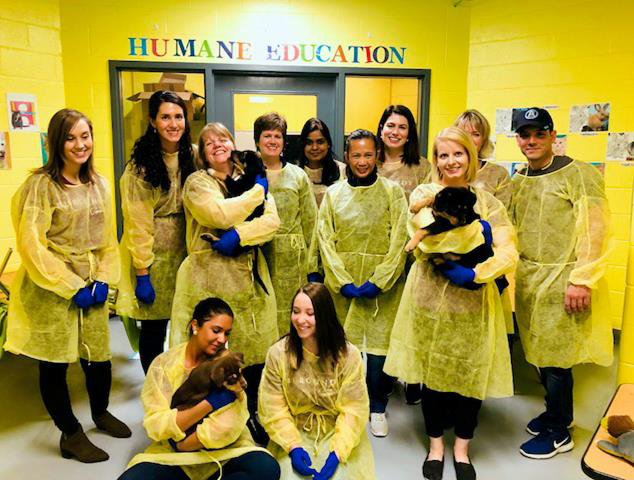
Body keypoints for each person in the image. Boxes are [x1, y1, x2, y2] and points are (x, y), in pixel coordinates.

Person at [384, 127, 517, 480]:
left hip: (474, 301)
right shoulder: (425, 193)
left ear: (470, 157)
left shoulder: (489, 200)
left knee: (470, 377)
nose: (451, 161)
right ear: (436, 160)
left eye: (458, 153)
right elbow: (432, 242)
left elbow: (509, 251)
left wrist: (478, 274)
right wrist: (479, 233)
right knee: (434, 376)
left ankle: (461, 447)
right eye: (443, 155)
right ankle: (436, 446)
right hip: (429, 296)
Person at [5, 109, 130, 463]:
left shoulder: (99, 184)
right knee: (54, 363)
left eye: (85, 136)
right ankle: (70, 434)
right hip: (51, 287)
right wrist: (69, 284)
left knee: (98, 356)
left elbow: (107, 241)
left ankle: (101, 413)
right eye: (71, 138)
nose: (80, 145)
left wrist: (104, 278)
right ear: (56, 142)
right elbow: (31, 244)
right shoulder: (40, 187)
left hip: (92, 282)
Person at [509, 108, 613, 459]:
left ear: (553, 136)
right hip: (530, 280)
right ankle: (555, 413)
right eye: (525, 135)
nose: (532, 141)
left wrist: (582, 279)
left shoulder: (578, 173)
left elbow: (595, 229)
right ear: (518, 140)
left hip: (562, 280)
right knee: (540, 354)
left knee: (556, 360)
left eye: (540, 134)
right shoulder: (520, 177)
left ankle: (559, 431)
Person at [168, 122, 280, 445]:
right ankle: (209, 419)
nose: (217, 145)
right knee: (212, 357)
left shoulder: (244, 176)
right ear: (202, 154)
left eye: (223, 139)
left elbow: (272, 222)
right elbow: (217, 213)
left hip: (249, 282)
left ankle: (252, 416)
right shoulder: (197, 183)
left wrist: (241, 236)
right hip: (208, 281)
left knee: (253, 356)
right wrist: (259, 191)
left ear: (233, 143)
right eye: (208, 143)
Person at [119, 297, 281, 480]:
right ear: (195, 326)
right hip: (175, 457)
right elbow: (156, 424)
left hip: (224, 452)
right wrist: (209, 404)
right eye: (216, 330)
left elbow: (228, 426)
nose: (222, 339)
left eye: (227, 333)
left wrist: (184, 443)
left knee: (265, 468)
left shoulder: (226, 364)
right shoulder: (163, 365)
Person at [318, 129, 408, 438]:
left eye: (368, 154)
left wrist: (380, 280)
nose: (362, 161)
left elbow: (400, 239)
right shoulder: (333, 194)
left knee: (379, 349)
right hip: (344, 284)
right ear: (346, 157)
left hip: (382, 284)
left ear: (377, 155)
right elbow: (325, 240)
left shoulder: (392, 192)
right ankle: (346, 403)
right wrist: (342, 281)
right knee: (343, 346)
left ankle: (378, 406)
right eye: (356, 155)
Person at [258, 283, 375, 480]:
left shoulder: (348, 356)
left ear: (324, 316)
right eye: (296, 312)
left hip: (338, 430)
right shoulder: (279, 354)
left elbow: (354, 409)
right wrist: (293, 446)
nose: (300, 320)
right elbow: (272, 406)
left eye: (310, 313)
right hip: (295, 428)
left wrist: (337, 453)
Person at [116, 90, 196, 373]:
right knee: (154, 329)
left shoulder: (192, 156)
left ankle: (185, 381)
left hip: (188, 252)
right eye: (165, 117)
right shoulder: (141, 167)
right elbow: (138, 224)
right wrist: (142, 273)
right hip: (154, 257)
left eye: (178, 116)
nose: (173, 123)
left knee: (189, 325)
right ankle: (155, 386)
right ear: (152, 122)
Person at [256, 112, 320, 333]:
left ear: (284, 142)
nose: (272, 141)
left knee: (291, 319)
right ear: (257, 140)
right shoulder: (246, 173)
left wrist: (313, 268)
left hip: (294, 261)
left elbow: (311, 223)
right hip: (258, 255)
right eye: (267, 135)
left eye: (278, 136)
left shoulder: (297, 176)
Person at [454, 109, 512, 209]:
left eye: (476, 134)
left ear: (484, 140)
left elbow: (503, 216)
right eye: (464, 133)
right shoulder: (442, 170)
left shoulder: (499, 174)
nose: (469, 139)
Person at [376, 104, 431, 201]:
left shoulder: (423, 167)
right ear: (381, 129)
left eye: (402, 127)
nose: (395, 132)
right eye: (390, 126)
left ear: (409, 133)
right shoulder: (368, 163)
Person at [297, 118, 346, 207]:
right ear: (303, 145)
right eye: (309, 142)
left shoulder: (343, 171)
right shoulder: (295, 173)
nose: (314, 147)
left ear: (328, 144)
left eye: (320, 142)